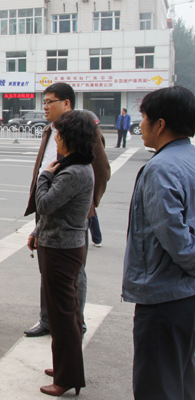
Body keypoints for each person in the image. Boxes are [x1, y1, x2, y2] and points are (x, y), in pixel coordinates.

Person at [123, 86, 195, 399]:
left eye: (144, 118)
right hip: (186, 295)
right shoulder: (190, 159)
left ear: (160, 124)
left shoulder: (161, 169)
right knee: (182, 377)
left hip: (163, 297)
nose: (141, 126)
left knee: (157, 385)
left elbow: (174, 238)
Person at [24, 82, 110, 338]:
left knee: (73, 274)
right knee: (47, 268)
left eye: (50, 101)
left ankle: (75, 322)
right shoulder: (50, 131)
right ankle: (48, 320)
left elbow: (102, 171)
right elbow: (43, 168)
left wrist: (86, 205)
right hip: (47, 204)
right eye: (44, 101)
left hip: (71, 213)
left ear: (67, 103)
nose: (45, 106)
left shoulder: (85, 131)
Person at [29, 110, 96, 396]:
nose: (55, 138)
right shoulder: (70, 166)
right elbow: (53, 211)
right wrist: (36, 232)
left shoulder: (74, 172)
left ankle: (68, 377)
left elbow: (43, 203)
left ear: (68, 138)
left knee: (64, 315)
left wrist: (44, 176)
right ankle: (64, 366)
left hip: (63, 248)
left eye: (58, 134)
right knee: (60, 314)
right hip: (56, 242)